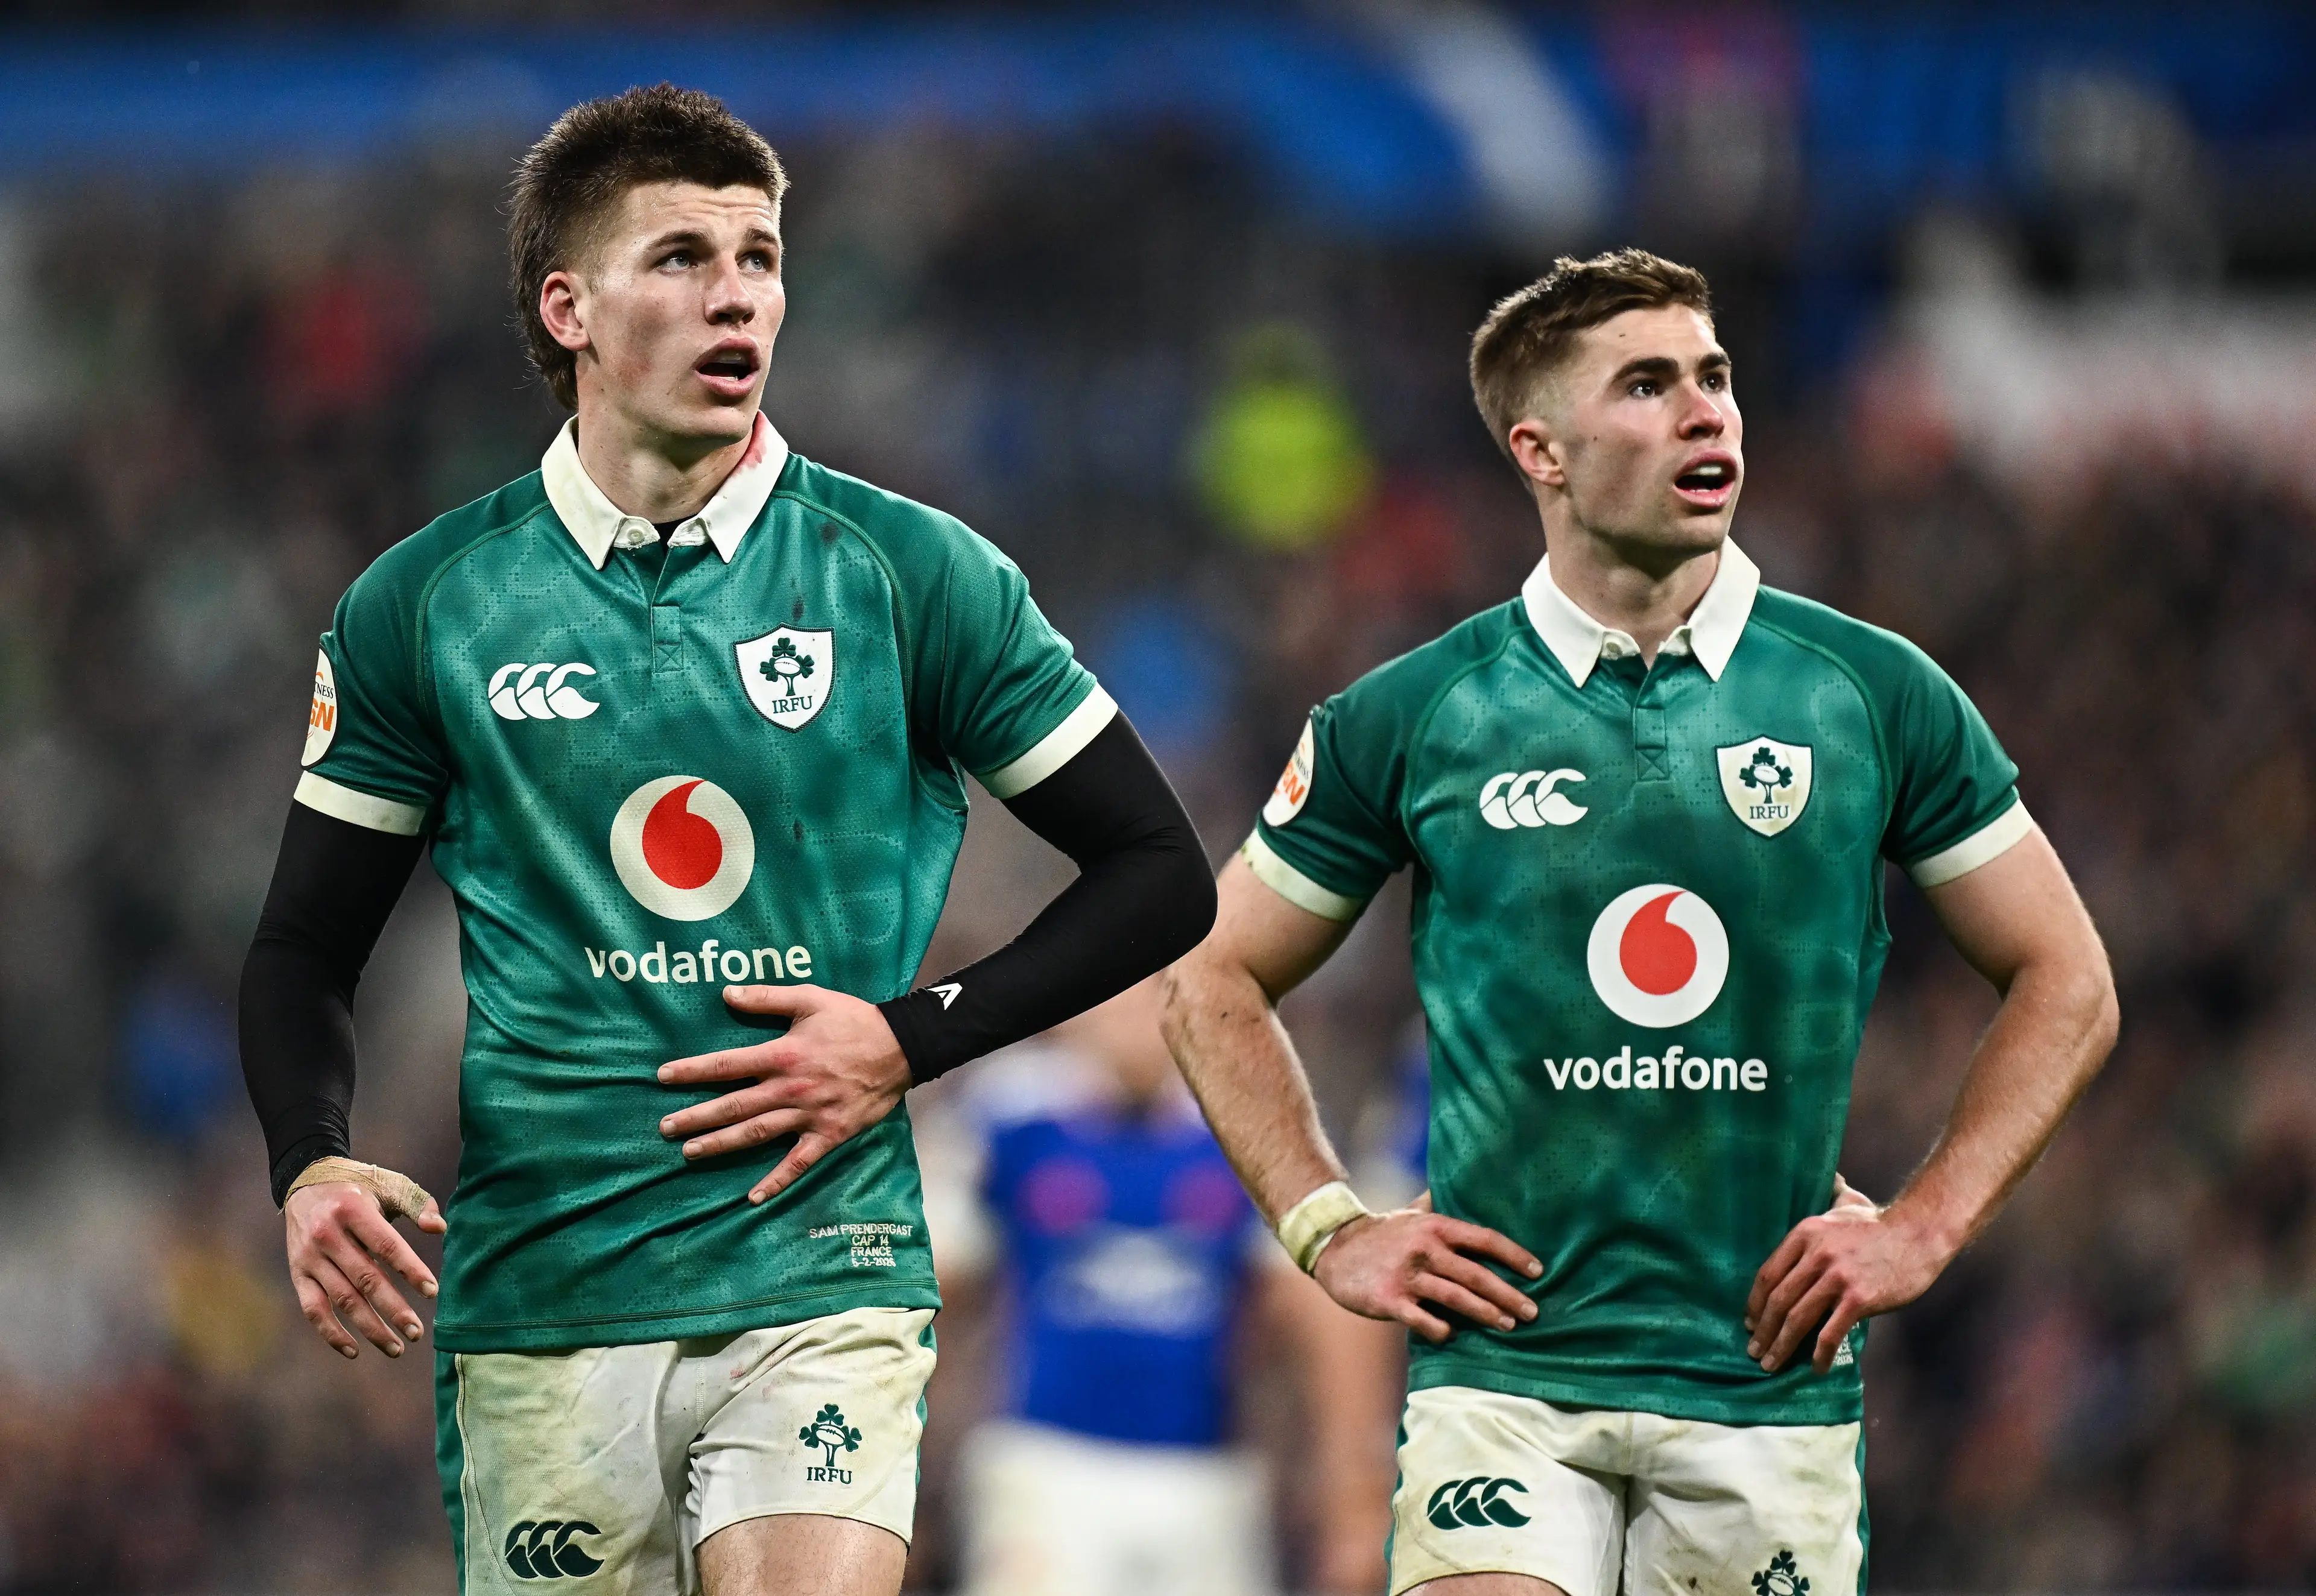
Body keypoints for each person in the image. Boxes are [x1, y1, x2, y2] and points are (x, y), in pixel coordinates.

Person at [236, 85, 1213, 1596]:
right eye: (681, 257)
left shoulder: (912, 574)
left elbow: (1158, 870)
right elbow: (304, 948)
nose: (737, 294)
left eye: (758, 257)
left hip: (823, 1272)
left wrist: (903, 1039)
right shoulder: (425, 604)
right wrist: (311, 1163)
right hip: (549, 1289)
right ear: (568, 307)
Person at [1159, 249, 2119, 1596]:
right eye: (1650, 384)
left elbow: (2067, 976)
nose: (1706, 411)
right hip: (1505, 1383)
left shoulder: (1872, 693)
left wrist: (1925, 1224)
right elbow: (1211, 980)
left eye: (1715, 378)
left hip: (1763, 1390)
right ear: (1539, 450)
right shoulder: (1414, 714)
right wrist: (1331, 1223)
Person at [918, 978, 1400, 1596]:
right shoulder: (1009, 1114)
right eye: (1112, 990)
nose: (1129, 1015)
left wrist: (1354, 1500)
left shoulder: (1250, 1118)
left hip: (1206, 1478)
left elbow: (1324, 1312)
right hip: (1044, 1470)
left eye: (1152, 991)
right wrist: (892, 1468)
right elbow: (926, 1288)